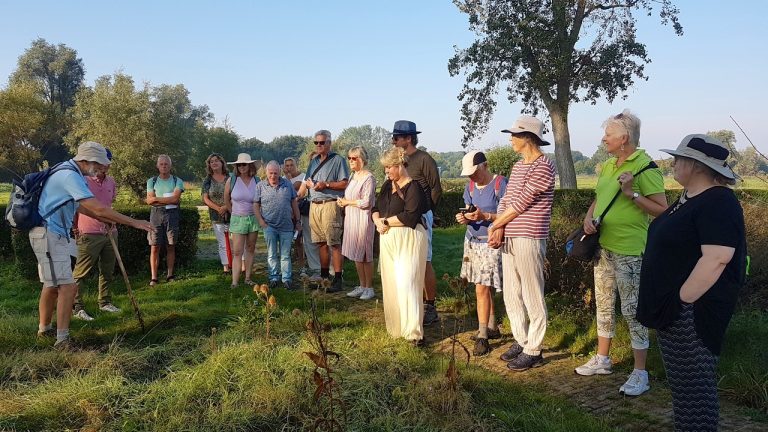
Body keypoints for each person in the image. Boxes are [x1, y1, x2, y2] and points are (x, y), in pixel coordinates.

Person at [637, 134, 745, 430]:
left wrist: (682, 301)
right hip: (675, 312)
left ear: (696, 165)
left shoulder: (718, 201)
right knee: (684, 391)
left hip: (693, 314)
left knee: (696, 391)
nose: (673, 163)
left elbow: (718, 257)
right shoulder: (688, 200)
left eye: (678, 158)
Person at [574, 110, 667, 396]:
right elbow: (598, 198)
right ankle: (603, 359)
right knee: (603, 304)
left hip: (630, 251)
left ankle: (641, 373)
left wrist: (632, 194)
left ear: (624, 138)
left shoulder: (646, 168)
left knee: (632, 310)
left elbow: (663, 210)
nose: (603, 139)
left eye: (609, 135)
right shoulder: (608, 165)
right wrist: (588, 219)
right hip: (603, 248)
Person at [31, 141, 151, 349]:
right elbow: (98, 208)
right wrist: (135, 222)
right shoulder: (70, 175)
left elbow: (79, 206)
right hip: (49, 234)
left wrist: (102, 218)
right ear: (86, 160)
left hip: (50, 233)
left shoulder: (65, 170)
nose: (100, 168)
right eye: (99, 164)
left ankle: (45, 330)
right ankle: (62, 340)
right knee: (68, 286)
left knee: (51, 285)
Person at [488, 116, 555, 372]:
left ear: (528, 138)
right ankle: (522, 339)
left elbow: (522, 203)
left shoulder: (544, 166)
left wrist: (495, 225)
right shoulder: (518, 167)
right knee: (512, 292)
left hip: (530, 235)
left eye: (515, 134)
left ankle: (534, 348)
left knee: (531, 291)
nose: (510, 138)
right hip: (511, 235)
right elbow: (506, 201)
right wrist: (500, 228)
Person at [372, 147, 429, 346]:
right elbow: (376, 208)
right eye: (385, 168)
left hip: (409, 238)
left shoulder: (414, 187)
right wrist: (378, 221)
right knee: (392, 283)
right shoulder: (388, 186)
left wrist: (386, 222)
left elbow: (410, 216)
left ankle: (414, 333)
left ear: (399, 165)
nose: (386, 171)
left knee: (408, 283)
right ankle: (397, 328)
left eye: (389, 167)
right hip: (388, 238)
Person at [455, 151, 507, 356]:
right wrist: (465, 218)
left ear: (485, 166)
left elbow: (510, 213)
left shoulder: (500, 184)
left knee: (482, 288)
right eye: (469, 174)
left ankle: (483, 335)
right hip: (472, 241)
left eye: (474, 172)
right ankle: (492, 325)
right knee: (484, 286)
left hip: (491, 242)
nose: (471, 177)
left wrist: (485, 216)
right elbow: (469, 210)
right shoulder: (469, 187)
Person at [391, 120, 442, 326]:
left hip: (421, 216)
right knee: (408, 261)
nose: (393, 141)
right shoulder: (397, 160)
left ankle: (431, 306)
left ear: (409, 138)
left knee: (424, 260)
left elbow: (436, 188)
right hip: (402, 218)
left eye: (396, 138)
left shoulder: (423, 159)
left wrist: (427, 210)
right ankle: (414, 303)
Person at [71, 148, 121, 321]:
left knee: (107, 270)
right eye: (102, 162)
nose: (105, 166)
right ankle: (77, 307)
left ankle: (105, 302)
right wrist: (74, 226)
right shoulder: (83, 180)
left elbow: (109, 204)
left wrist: (111, 218)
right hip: (89, 232)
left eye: (108, 163)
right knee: (81, 273)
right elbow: (76, 205)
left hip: (110, 232)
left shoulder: (111, 182)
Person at [300, 130, 349, 292]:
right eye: (316, 143)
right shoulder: (313, 161)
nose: (319, 145)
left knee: (334, 242)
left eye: (322, 142)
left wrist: (326, 184)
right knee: (320, 242)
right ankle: (324, 276)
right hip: (314, 204)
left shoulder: (338, 160)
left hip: (330, 204)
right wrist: (307, 186)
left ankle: (338, 278)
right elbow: (306, 180)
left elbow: (344, 183)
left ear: (329, 143)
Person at [337, 146, 376, 300]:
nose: (351, 161)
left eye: (354, 158)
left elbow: (366, 201)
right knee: (356, 254)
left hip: (363, 219)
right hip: (352, 219)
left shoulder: (369, 178)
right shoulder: (353, 176)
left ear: (362, 159)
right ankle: (361, 285)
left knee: (365, 254)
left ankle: (369, 287)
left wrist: (347, 202)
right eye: (349, 158)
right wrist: (343, 203)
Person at [255, 161, 300, 290]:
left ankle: (286, 279)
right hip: (269, 226)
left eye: (275, 173)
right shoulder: (260, 186)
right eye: (270, 173)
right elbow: (255, 204)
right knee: (271, 254)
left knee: (286, 255)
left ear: (279, 172)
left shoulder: (287, 184)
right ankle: (273, 277)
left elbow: (294, 203)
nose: (273, 176)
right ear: (266, 173)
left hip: (286, 226)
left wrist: (297, 221)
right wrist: (261, 221)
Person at [145, 154, 185, 286]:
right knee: (154, 246)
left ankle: (170, 275)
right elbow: (150, 201)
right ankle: (154, 277)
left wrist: (157, 199)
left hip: (172, 215)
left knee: (171, 245)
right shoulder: (152, 181)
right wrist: (168, 200)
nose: (164, 166)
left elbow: (175, 199)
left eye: (166, 164)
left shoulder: (177, 180)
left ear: (170, 166)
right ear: (157, 166)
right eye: (161, 164)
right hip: (156, 215)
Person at [224, 153, 260, 287]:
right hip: (237, 219)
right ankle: (235, 281)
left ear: (250, 165)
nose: (241, 167)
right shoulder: (232, 180)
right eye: (239, 165)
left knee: (250, 249)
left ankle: (248, 278)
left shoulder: (257, 181)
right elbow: (226, 198)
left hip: (253, 219)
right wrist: (232, 211)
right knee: (238, 251)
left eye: (244, 164)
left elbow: (260, 200)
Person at [284, 157, 320, 279]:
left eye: (291, 165)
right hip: (290, 213)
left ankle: (313, 266)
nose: (289, 168)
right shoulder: (283, 179)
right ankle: (299, 266)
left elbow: (300, 193)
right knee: (296, 241)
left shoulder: (304, 176)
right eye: (287, 165)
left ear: (296, 165)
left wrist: (290, 183)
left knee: (308, 239)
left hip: (304, 211)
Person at [202, 153, 232, 273]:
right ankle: (226, 267)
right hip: (216, 215)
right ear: (209, 165)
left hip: (232, 212)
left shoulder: (230, 177)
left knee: (235, 241)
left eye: (216, 161)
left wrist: (226, 206)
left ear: (222, 163)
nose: (214, 163)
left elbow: (236, 194)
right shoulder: (207, 180)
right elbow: (205, 198)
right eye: (211, 161)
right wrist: (218, 208)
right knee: (222, 242)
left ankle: (239, 265)